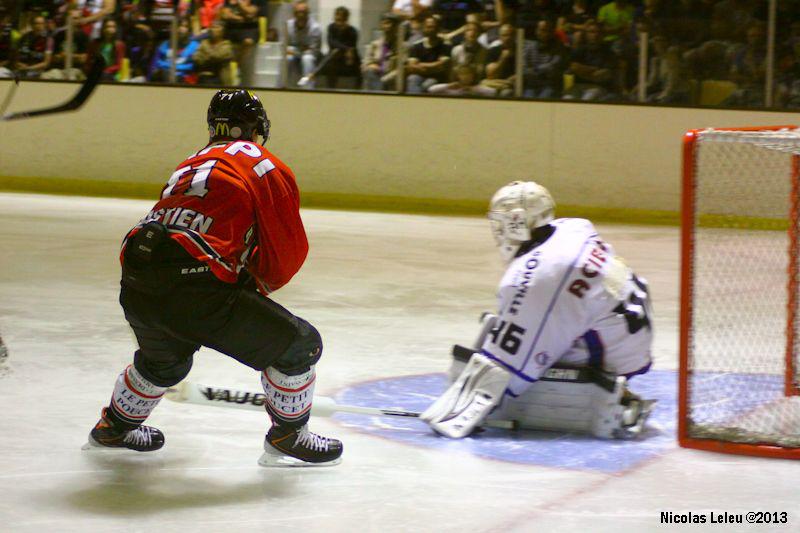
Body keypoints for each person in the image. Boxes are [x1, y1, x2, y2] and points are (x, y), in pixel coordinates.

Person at [84, 90, 343, 467]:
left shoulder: (191, 162)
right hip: (194, 287)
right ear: (256, 128)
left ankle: (114, 427)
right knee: (299, 346)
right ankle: (289, 435)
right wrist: (253, 288)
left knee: (165, 363)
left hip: (137, 277)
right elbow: (285, 251)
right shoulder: (263, 163)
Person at [422, 181, 654, 439]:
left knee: (503, 370)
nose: (497, 232)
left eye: (500, 223)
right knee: (505, 327)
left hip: (612, 357)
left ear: (517, 223)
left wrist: (461, 411)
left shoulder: (532, 278)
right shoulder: (574, 227)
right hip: (628, 335)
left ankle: (614, 403)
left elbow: (506, 377)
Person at [405, 15, 451, 94]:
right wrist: (432, 67)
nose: (430, 30)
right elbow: (411, 66)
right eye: (428, 27)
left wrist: (421, 65)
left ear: (438, 29)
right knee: (412, 79)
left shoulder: (445, 46)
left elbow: (441, 66)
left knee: (426, 86)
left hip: (437, 77)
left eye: (433, 27)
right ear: (424, 28)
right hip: (419, 75)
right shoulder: (417, 46)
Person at [284, 0, 322, 89]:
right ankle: (284, 86)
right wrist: (299, 49)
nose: (300, 15)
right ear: (294, 13)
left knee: (307, 59)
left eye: (303, 12)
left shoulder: (315, 28)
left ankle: (308, 88)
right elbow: (285, 47)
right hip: (294, 54)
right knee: (287, 58)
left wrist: (295, 50)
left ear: (308, 13)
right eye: (298, 12)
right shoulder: (288, 25)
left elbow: (313, 50)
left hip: (310, 56)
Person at [362, 13, 401, 92]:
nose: (389, 26)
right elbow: (365, 64)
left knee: (379, 83)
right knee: (370, 72)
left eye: (392, 24)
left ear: (397, 27)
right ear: (381, 25)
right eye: (386, 23)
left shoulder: (402, 46)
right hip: (374, 76)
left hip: (391, 80)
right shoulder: (374, 45)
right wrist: (371, 66)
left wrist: (384, 79)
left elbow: (401, 69)